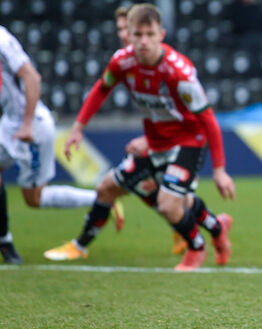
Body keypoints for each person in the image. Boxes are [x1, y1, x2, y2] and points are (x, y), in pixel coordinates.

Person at [43, 3, 235, 271]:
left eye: (149, 34)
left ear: (161, 34)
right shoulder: (123, 61)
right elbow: (102, 87)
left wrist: (220, 170)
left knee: (169, 204)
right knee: (110, 187)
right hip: (154, 145)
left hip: (187, 142)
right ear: (129, 36)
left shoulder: (178, 72)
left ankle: (196, 248)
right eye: (137, 34)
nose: (143, 41)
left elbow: (208, 120)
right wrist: (78, 127)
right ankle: (217, 227)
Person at [0, 26, 124, 265]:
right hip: (8, 123)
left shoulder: (2, 40)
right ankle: (4, 241)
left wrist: (26, 124)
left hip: (32, 126)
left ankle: (100, 200)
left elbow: (32, 77)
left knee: (34, 199)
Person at [115, 5, 190, 255]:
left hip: (177, 143)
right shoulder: (123, 62)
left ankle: (198, 231)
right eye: (122, 31)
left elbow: (179, 114)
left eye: (130, 30)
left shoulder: (165, 65)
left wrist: (149, 139)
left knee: (172, 198)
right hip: (155, 141)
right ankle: (193, 228)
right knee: (147, 188)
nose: (126, 35)